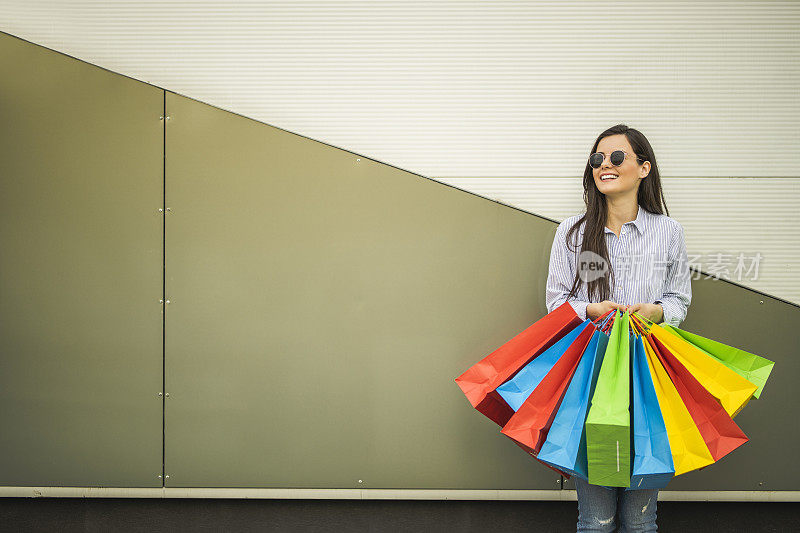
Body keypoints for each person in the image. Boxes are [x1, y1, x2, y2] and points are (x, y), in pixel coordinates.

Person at [545, 124, 692, 532]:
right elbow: (555, 302)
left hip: (646, 377)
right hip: (590, 376)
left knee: (642, 518)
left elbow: (679, 301)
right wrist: (592, 309)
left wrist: (655, 312)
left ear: (644, 168)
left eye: (616, 157)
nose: (604, 166)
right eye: (597, 159)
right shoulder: (573, 232)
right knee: (595, 517)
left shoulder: (668, 232)